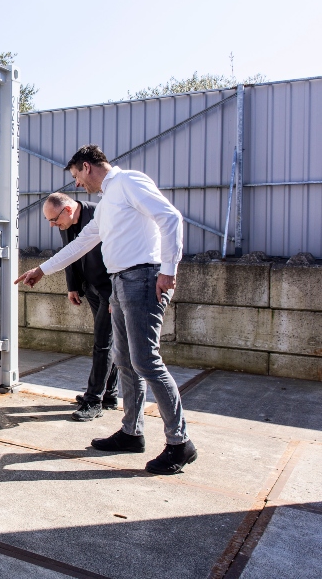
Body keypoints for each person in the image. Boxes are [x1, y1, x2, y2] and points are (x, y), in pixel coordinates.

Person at [17, 145, 197, 475]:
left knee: (146, 361)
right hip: (122, 283)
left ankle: (179, 443)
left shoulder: (129, 182)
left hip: (143, 278)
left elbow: (170, 217)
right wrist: (42, 270)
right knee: (125, 361)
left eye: (76, 177)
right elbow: (81, 243)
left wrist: (168, 270)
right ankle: (132, 433)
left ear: (87, 166)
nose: (77, 185)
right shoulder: (106, 204)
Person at [42, 192, 118, 421]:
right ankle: (110, 395)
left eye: (54, 220)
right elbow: (68, 255)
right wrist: (72, 286)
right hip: (91, 287)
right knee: (107, 342)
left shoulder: (100, 214)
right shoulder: (65, 223)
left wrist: (116, 295)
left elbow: (118, 253)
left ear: (67, 210)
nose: (54, 226)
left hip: (109, 289)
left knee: (102, 344)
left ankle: (93, 400)